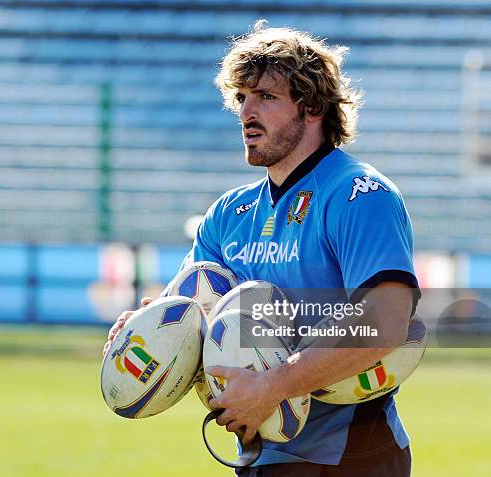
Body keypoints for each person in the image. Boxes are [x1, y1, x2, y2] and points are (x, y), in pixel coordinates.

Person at [104, 20, 419, 477]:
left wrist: (273, 385)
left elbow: (384, 320)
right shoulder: (228, 213)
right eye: (241, 98)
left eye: (266, 97)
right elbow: (195, 310)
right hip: (260, 455)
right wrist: (148, 323)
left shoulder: (360, 195)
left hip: (350, 457)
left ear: (312, 107)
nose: (246, 112)